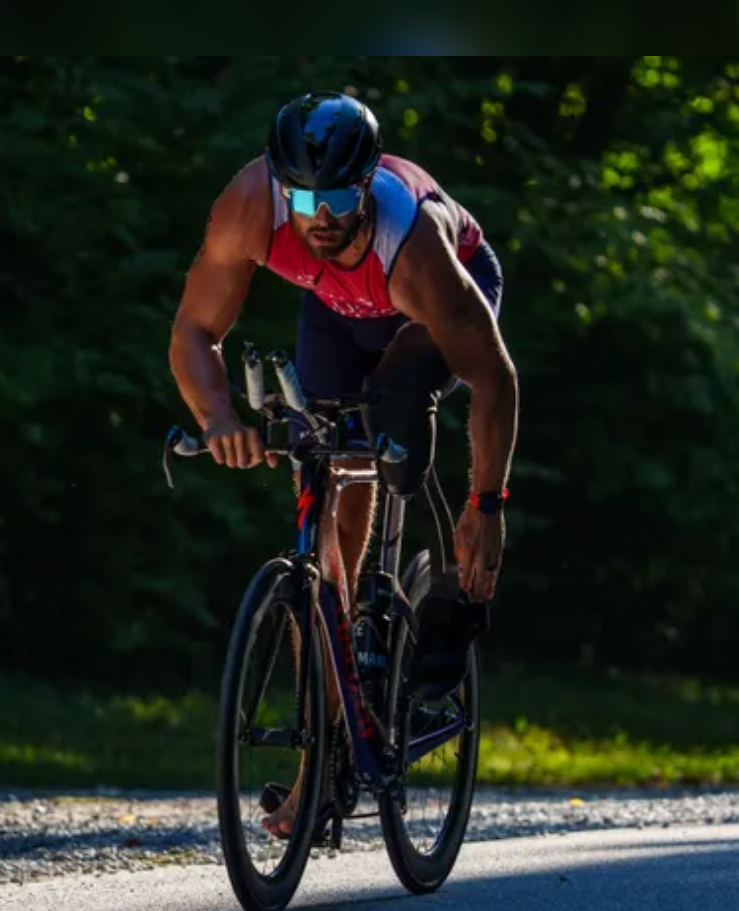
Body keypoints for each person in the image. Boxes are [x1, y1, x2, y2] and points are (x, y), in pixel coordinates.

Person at [168, 90, 519, 836]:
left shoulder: (414, 243)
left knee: (392, 422)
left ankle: (451, 597)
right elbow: (196, 329)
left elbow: (495, 379)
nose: (319, 214)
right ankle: (322, 758)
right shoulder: (248, 207)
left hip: (430, 305)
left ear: (365, 186)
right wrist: (220, 418)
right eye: (302, 196)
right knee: (321, 486)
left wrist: (485, 506)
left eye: (337, 196)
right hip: (337, 309)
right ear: (276, 183)